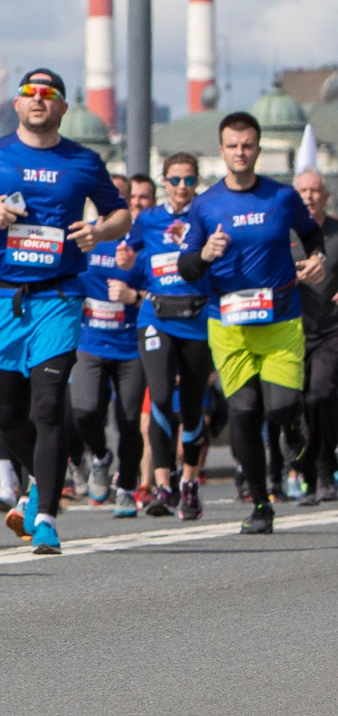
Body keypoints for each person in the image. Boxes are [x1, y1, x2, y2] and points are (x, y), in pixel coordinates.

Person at [0, 68, 128, 555]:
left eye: (49, 94)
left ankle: (45, 519)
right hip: (2, 302)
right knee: (9, 416)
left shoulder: (83, 161)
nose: (38, 99)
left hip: (58, 298)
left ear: (63, 108)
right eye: (29, 93)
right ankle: (42, 481)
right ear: (17, 105)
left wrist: (99, 232)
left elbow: (121, 215)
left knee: (47, 407)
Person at [176, 110, 322, 536]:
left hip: (279, 320)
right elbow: (187, 267)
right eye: (232, 146)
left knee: (278, 408)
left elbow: (311, 235)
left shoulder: (281, 197)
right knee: (243, 413)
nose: (240, 153)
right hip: (229, 323)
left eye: (248, 145)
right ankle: (261, 504)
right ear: (221, 151)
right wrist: (204, 255)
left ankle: (294, 424)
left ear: (258, 149)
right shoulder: (204, 206)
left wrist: (316, 259)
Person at [128, 152, 212, 519]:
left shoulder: (208, 215)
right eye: (175, 180)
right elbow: (127, 252)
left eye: (189, 180)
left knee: (192, 404)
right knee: (160, 395)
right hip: (156, 315)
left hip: (197, 317)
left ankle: (189, 483)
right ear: (164, 182)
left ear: (197, 182)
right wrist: (123, 259)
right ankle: (164, 485)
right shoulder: (148, 219)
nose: (182, 187)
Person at [72, 217, 147, 516]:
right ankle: (101, 457)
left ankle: (127, 488)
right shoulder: (81, 235)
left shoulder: (137, 242)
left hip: (130, 346)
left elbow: (160, 288)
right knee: (84, 410)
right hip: (90, 342)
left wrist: (134, 297)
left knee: (129, 420)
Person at [292, 170, 338, 506]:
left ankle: (323, 471)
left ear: (326, 196)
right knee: (292, 403)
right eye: (303, 191)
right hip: (289, 329)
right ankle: (303, 469)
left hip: (330, 330)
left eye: (315, 190)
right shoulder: (284, 233)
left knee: (320, 394)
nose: (309, 196)